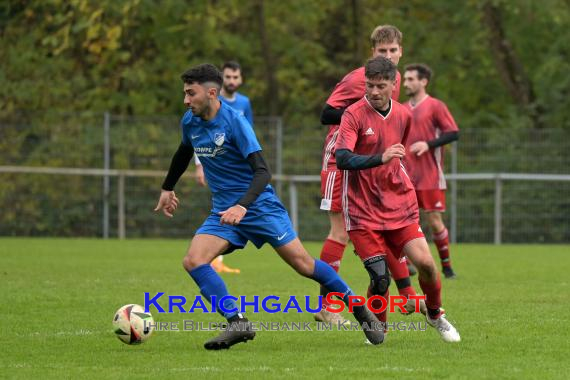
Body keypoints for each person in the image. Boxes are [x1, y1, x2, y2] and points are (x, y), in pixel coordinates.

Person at [154, 63, 385, 350]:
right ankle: (237, 322)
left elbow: (263, 172)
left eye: (191, 93)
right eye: (185, 94)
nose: (186, 100)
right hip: (225, 213)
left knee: (303, 265)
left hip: (260, 208)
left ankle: (358, 308)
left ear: (211, 92)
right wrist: (167, 187)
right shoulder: (190, 121)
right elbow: (183, 151)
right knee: (193, 260)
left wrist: (243, 206)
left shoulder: (235, 121)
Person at [335, 56, 460, 342]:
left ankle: (434, 314)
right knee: (380, 278)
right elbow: (342, 158)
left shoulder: (404, 114)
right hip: (362, 209)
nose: (374, 91)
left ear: (394, 85)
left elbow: (398, 153)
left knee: (427, 265)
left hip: (399, 203)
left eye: (380, 86)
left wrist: (392, 167)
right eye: (369, 85)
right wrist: (381, 158)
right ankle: (378, 331)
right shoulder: (353, 114)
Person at [316, 25, 423, 325]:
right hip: (342, 159)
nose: (387, 56)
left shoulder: (394, 79)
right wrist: (360, 114)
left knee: (380, 228)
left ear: (401, 51)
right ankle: (327, 307)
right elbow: (326, 113)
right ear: (372, 52)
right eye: (381, 51)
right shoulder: (358, 79)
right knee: (338, 232)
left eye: (392, 51)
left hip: (370, 164)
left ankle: (404, 291)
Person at [195, 61, 254, 274]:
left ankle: (216, 257)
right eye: (228, 77)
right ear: (222, 80)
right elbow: (200, 135)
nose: (232, 81)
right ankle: (213, 257)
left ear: (240, 79)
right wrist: (199, 165)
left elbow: (249, 133)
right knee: (219, 206)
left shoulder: (244, 103)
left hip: (237, 169)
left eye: (235, 77)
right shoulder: (211, 101)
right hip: (214, 164)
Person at [402, 64, 459, 279]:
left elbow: (453, 133)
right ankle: (407, 263)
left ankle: (447, 267)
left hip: (430, 176)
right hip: (405, 177)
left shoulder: (435, 106)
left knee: (434, 221)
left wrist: (428, 144)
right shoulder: (401, 107)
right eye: (405, 79)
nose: (405, 83)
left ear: (423, 81)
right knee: (404, 222)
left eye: (410, 79)